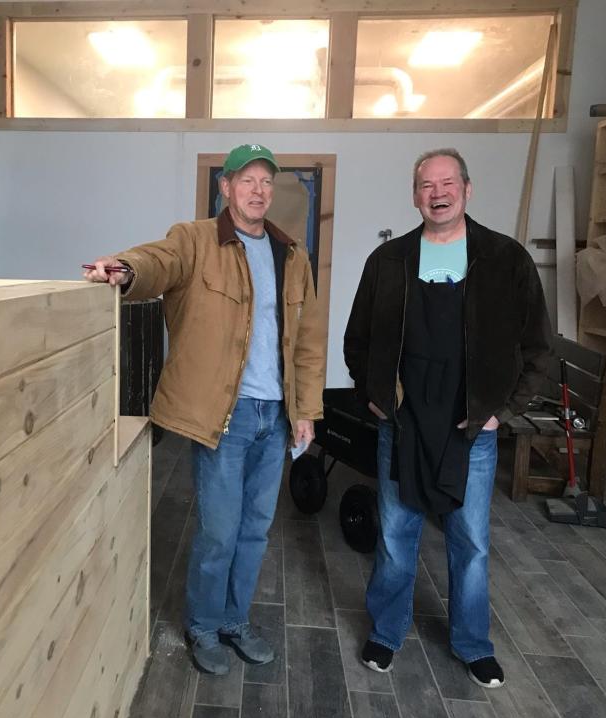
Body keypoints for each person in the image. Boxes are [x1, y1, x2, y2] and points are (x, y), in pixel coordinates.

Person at [84, 144, 326, 675]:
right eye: (246, 180)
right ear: (226, 187)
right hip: (226, 413)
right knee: (220, 528)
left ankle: (235, 620)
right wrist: (125, 268)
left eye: (266, 182)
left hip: (275, 414)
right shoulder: (194, 240)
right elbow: (157, 262)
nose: (258, 190)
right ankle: (202, 624)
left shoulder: (292, 255)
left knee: (256, 529)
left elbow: (307, 339)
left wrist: (305, 409)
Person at [343, 148, 552, 689]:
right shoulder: (387, 262)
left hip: (471, 431)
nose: (437, 192)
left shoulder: (506, 260)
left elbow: (538, 349)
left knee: (471, 542)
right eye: (425, 185)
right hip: (403, 425)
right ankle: (386, 632)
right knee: (395, 533)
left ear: (466, 188)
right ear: (415, 196)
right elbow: (357, 339)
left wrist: (501, 413)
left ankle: (472, 644)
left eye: (446, 182)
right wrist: (374, 394)